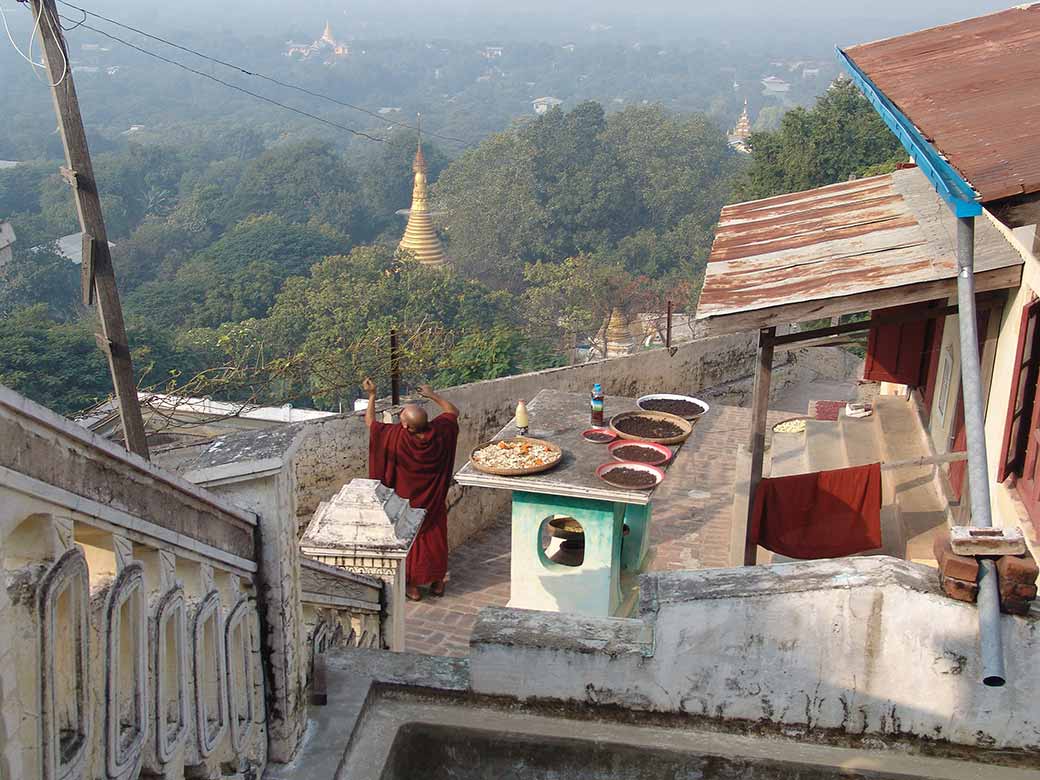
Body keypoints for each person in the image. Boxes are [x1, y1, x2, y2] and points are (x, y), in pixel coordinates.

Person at [363, 378, 460, 602]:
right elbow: (453, 411)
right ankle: (437, 582)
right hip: (434, 499)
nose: (399, 417)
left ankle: (414, 586)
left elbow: (370, 423)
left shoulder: (396, 437)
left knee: (413, 539)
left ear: (406, 426)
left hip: (410, 500)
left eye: (401, 416)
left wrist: (372, 395)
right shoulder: (440, 433)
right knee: (436, 536)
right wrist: (431, 394)